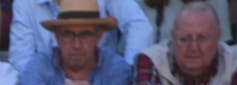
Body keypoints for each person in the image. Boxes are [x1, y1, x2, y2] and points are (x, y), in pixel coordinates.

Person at [17, 0, 135, 85]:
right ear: (57, 36)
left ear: (99, 36)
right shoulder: (39, 65)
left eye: (85, 34)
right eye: (68, 34)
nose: (76, 45)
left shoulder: (116, 67)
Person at [10, 0, 153, 68]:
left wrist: (129, 72)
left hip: (105, 79)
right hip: (47, 84)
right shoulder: (24, 3)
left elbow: (139, 26)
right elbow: (21, 60)